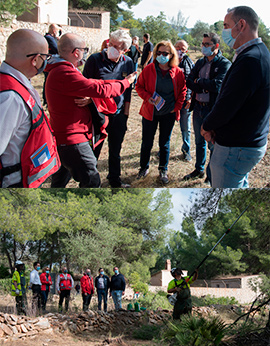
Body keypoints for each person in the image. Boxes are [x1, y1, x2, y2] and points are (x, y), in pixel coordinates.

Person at [45, 32, 136, 188]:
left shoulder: (62, 70)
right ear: (76, 52)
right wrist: (125, 82)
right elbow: (97, 88)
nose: (85, 53)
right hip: (72, 138)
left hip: (69, 136)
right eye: (84, 49)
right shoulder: (65, 72)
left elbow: (92, 84)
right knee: (92, 180)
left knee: (61, 178)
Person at [201, 6, 270, 188]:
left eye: (226, 25)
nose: (223, 31)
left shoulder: (250, 60)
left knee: (223, 193)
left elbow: (228, 104)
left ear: (241, 24)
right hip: (248, 142)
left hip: (236, 148)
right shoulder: (260, 53)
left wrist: (207, 125)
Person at [0, 29, 60, 188]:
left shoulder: (15, 83)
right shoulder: (10, 98)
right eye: (45, 57)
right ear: (35, 60)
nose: (46, 61)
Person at [83, 29, 135, 188]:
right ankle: (90, 184)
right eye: (109, 43)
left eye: (115, 46)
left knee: (115, 150)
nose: (110, 47)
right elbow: (85, 85)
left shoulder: (128, 63)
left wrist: (125, 113)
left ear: (125, 50)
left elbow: (127, 91)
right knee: (94, 151)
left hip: (118, 114)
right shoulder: (94, 60)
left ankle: (115, 181)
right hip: (98, 114)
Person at [135, 40, 187, 184]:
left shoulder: (177, 72)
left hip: (168, 113)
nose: (161, 56)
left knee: (164, 143)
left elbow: (183, 90)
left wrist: (176, 107)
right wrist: (147, 97)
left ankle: (163, 169)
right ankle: (143, 168)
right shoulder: (148, 69)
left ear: (171, 55)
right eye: (158, 53)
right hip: (150, 112)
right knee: (147, 142)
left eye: (165, 53)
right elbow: (139, 86)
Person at [184, 33, 231, 184]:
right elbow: (189, 81)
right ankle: (199, 169)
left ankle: (210, 176)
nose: (204, 47)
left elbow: (217, 86)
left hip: (212, 110)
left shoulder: (224, 64)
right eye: (203, 44)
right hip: (198, 107)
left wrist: (200, 82)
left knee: (212, 144)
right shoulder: (199, 62)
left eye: (207, 44)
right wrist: (203, 86)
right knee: (199, 141)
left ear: (216, 46)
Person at [174, 40, 194, 162]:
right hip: (171, 101)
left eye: (182, 48)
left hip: (185, 101)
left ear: (186, 50)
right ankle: (163, 149)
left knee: (185, 128)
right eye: (177, 47)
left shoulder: (189, 63)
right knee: (167, 127)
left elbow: (193, 82)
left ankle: (186, 151)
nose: (179, 50)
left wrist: (190, 98)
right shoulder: (169, 61)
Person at [43, 24, 60, 105]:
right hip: (50, 62)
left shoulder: (50, 37)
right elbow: (57, 49)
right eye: (57, 31)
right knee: (48, 81)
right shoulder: (49, 38)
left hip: (50, 62)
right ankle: (46, 100)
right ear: (54, 31)